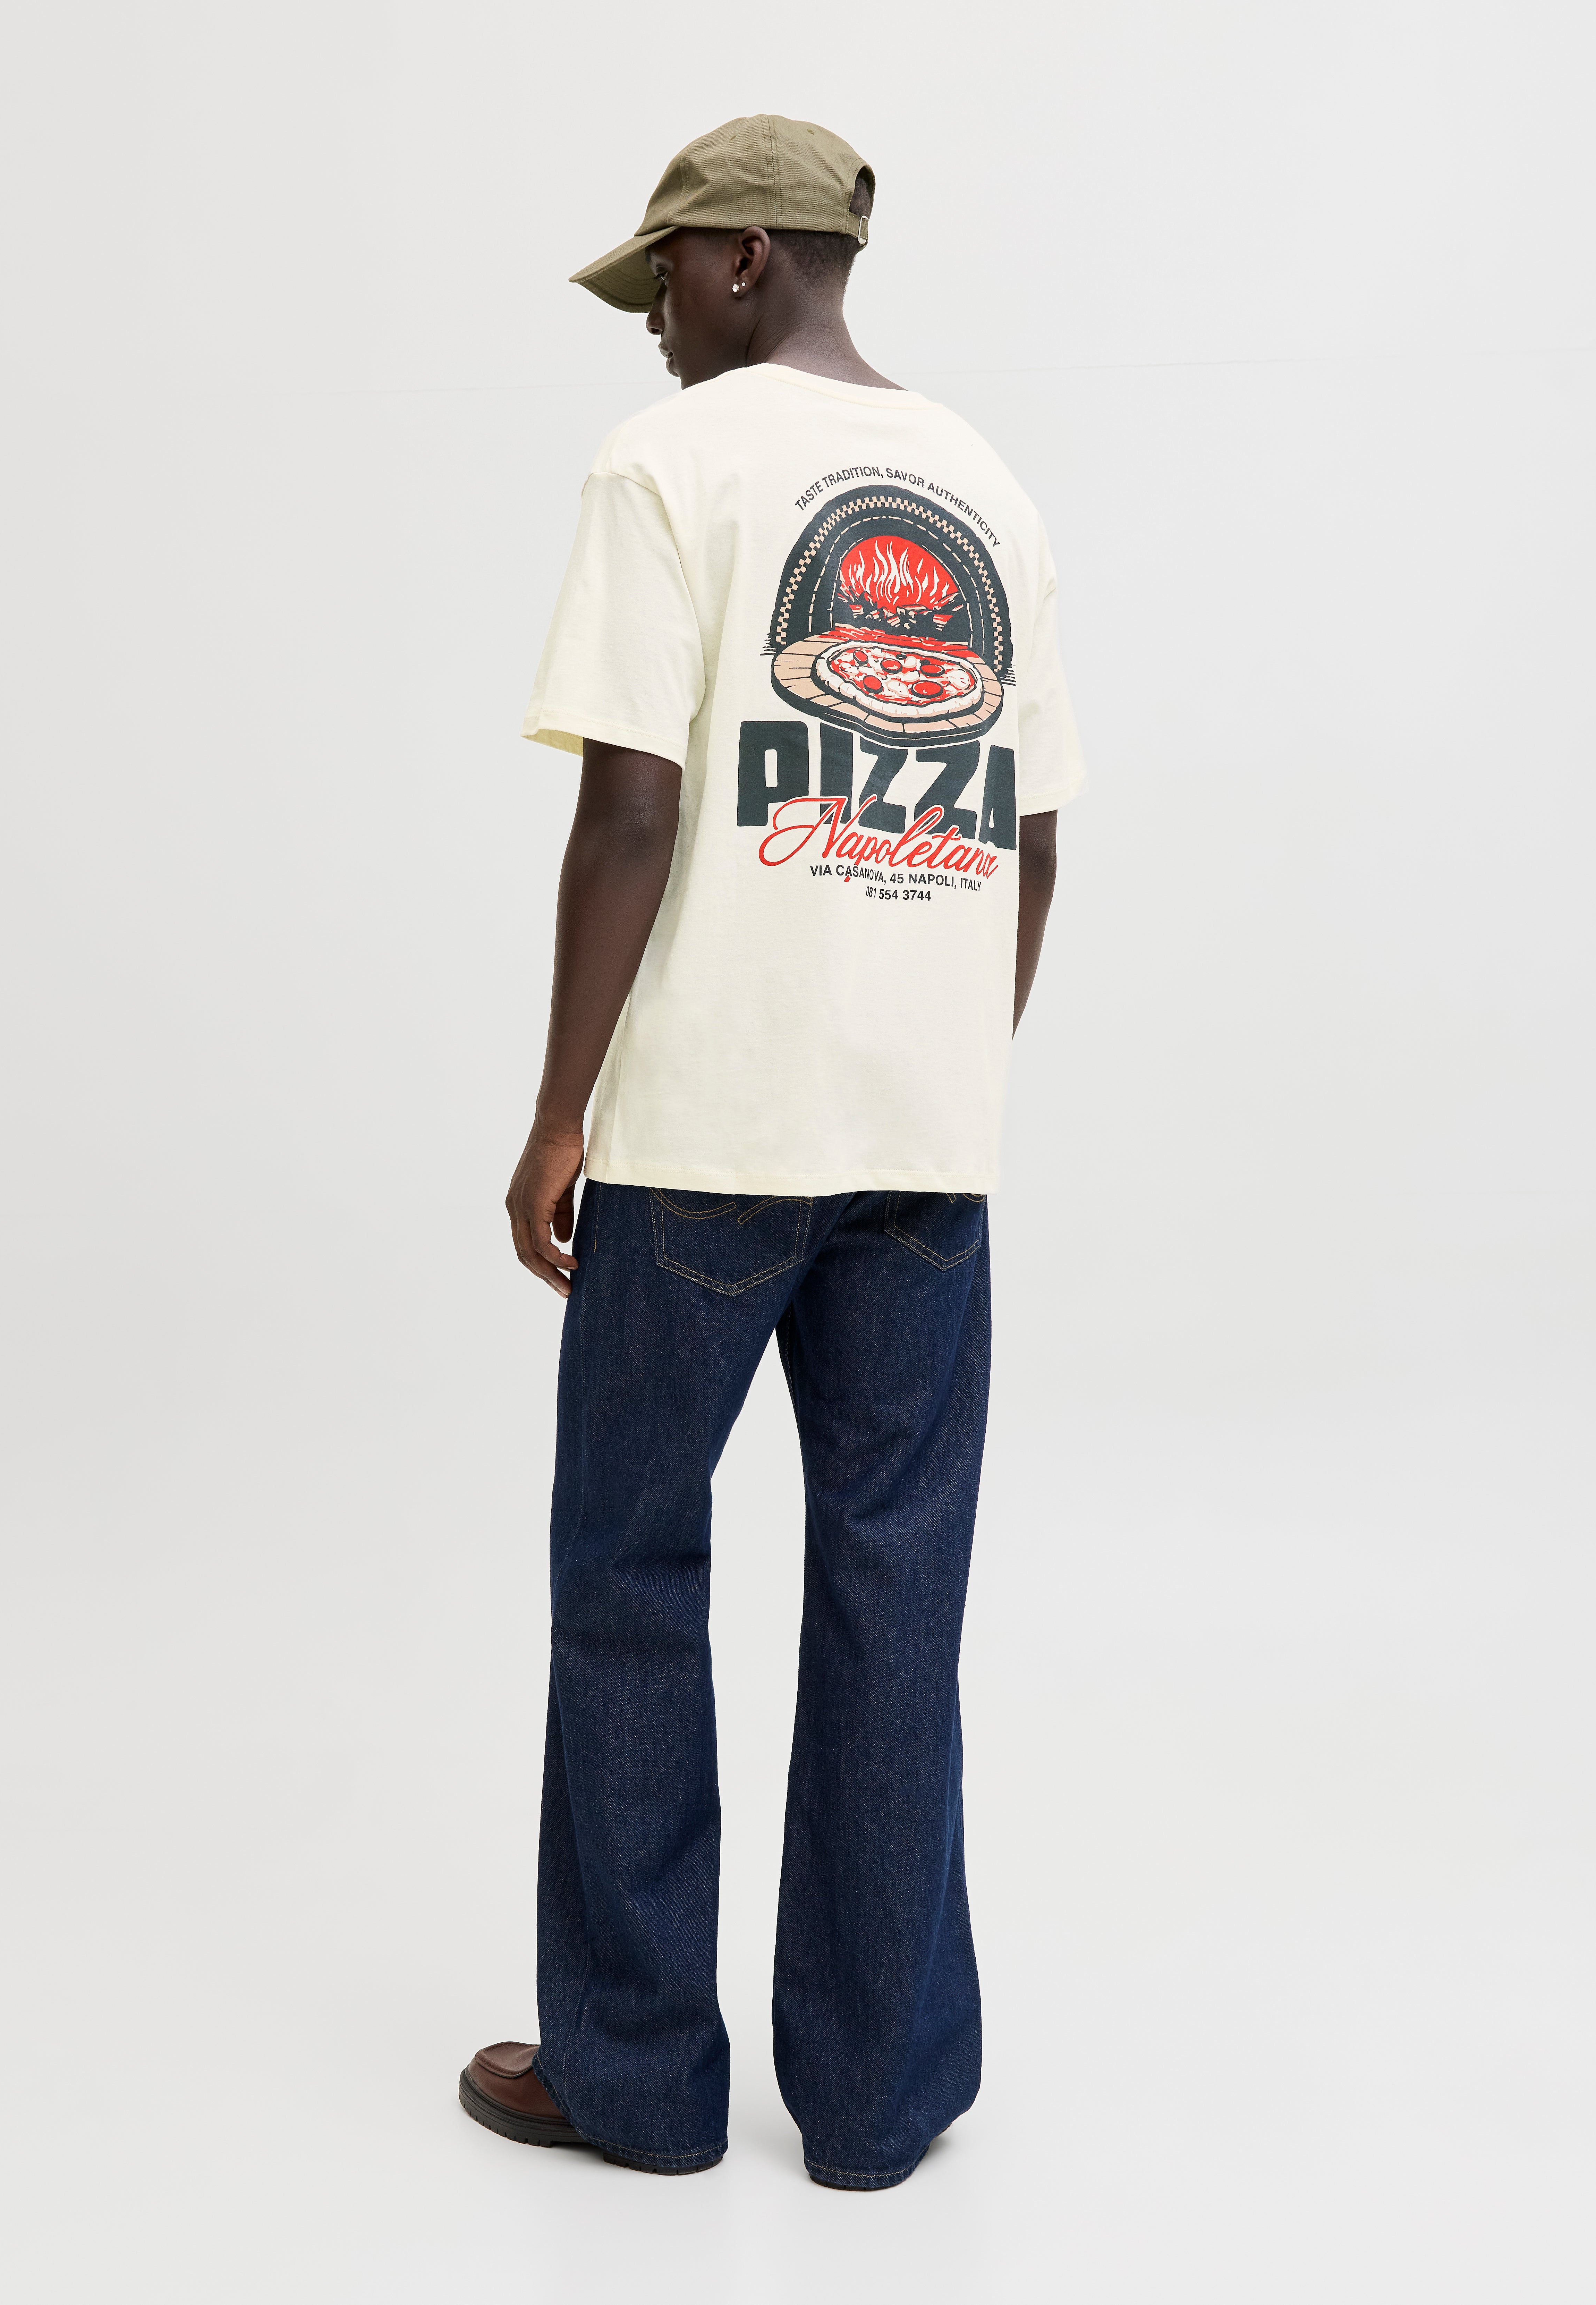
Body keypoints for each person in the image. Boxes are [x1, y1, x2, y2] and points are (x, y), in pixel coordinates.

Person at [460, 115, 1085, 2192]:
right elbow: (1034, 839)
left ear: (744, 255)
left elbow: (631, 813)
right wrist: (938, 1059)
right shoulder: (989, 489)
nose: (650, 320)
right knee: (898, 1600)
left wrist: (561, 1109)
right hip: (924, 1152)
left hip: (708, 1141)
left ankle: (635, 2080)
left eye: (662, 276)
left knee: (631, 1574)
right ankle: (879, 2099)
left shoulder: (673, 469)